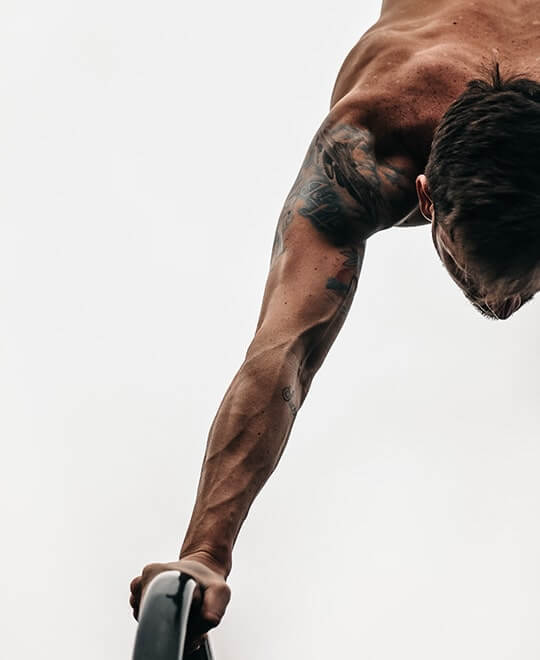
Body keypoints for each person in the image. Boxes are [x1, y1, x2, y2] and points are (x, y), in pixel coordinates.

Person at [129, 0, 540, 652]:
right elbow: (285, 350)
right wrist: (205, 551)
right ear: (423, 196)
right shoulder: (367, 147)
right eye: (468, 272)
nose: (505, 309)